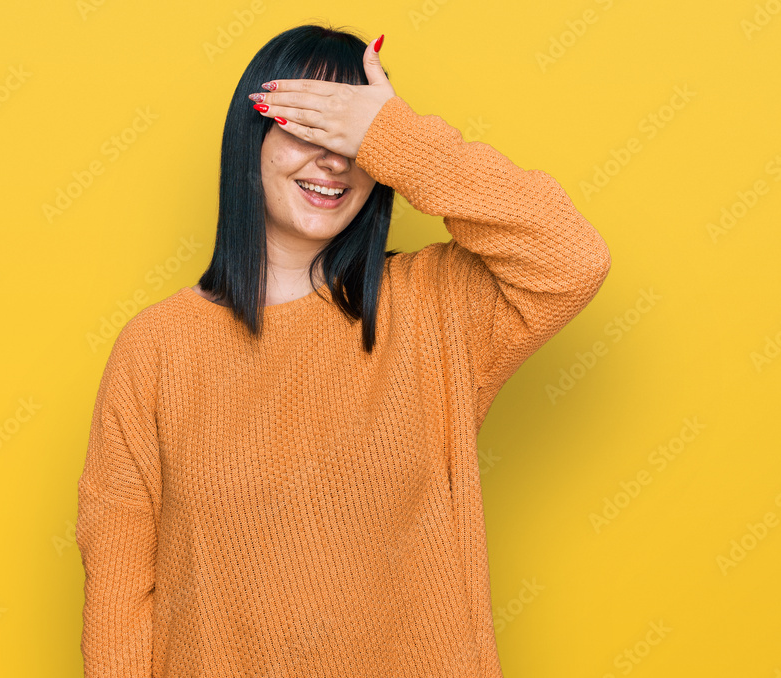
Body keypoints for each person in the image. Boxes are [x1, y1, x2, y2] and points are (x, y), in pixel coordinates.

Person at [75, 22, 611, 678]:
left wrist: (394, 135)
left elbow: (571, 257)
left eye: (348, 136)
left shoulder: (434, 306)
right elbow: (119, 593)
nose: (333, 161)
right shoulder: (157, 347)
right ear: (251, 139)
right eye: (308, 126)